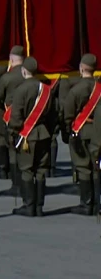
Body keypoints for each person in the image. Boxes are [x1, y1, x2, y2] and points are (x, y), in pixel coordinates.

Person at [7, 57, 58, 216]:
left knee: (27, 169)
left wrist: (13, 133)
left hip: (27, 135)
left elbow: (16, 116)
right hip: (43, 132)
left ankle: (29, 205)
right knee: (41, 169)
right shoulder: (46, 90)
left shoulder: (21, 89)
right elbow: (53, 114)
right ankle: (39, 206)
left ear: (24, 71)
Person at [63, 54, 99, 215]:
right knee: (98, 167)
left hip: (83, 131)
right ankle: (97, 203)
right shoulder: (99, 88)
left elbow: (68, 114)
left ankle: (86, 203)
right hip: (99, 131)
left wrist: (67, 130)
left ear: (82, 68)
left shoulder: (76, 90)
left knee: (84, 167)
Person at [0, 46, 27, 195]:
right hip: (29, 116)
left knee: (13, 151)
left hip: (12, 116)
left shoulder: (7, 77)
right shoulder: (29, 75)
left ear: (12, 60)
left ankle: (16, 184)